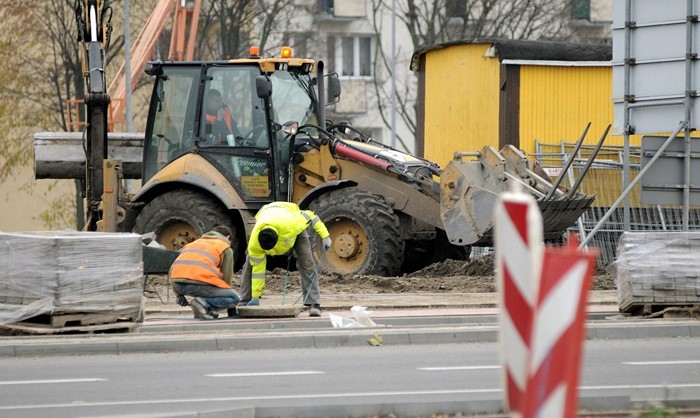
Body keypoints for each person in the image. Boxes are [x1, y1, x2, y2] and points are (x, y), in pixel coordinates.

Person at [239, 202, 332, 317]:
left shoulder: (294, 224)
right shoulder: (255, 243)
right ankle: (245, 301)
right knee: (250, 263)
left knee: (307, 262)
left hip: (290, 223)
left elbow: (312, 216)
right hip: (268, 213)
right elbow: (258, 271)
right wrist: (255, 297)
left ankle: (314, 304)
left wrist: (325, 236)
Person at [169, 226, 240, 319]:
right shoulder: (224, 247)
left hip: (178, 285)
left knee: (210, 287)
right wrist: (231, 307)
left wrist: (178, 294)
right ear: (228, 237)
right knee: (234, 298)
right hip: (198, 285)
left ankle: (204, 310)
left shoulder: (191, 244)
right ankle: (203, 304)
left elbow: (173, 269)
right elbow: (227, 278)